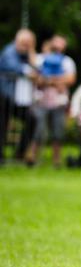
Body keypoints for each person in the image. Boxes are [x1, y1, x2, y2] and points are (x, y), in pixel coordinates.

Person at [28, 34, 76, 167]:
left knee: (57, 130)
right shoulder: (41, 59)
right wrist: (55, 80)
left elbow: (70, 79)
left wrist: (49, 80)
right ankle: (32, 156)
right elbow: (33, 75)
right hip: (41, 100)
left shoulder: (67, 61)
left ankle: (57, 160)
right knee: (39, 128)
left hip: (59, 100)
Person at [0, 29, 38, 165]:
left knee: (32, 120)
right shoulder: (9, 51)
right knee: (2, 125)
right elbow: (15, 67)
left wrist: (32, 51)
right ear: (17, 40)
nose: (26, 46)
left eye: (29, 44)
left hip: (17, 99)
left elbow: (38, 68)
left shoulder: (25, 54)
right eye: (24, 43)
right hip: (4, 97)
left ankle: (20, 152)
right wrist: (29, 71)